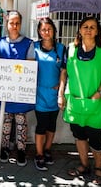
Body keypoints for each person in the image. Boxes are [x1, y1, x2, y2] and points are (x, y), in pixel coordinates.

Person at [58, 15, 101, 186]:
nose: (89, 30)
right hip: (75, 102)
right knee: (79, 136)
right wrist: (61, 94)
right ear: (80, 29)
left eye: (92, 27)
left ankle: (99, 168)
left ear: (97, 30)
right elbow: (64, 73)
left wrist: (99, 93)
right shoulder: (70, 49)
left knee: (96, 138)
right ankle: (84, 165)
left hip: (96, 103)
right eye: (85, 26)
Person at [0, 10, 35, 167]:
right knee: (5, 122)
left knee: (21, 122)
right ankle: (4, 148)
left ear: (21, 24)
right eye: (11, 22)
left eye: (17, 23)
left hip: (21, 91)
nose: (14, 26)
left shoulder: (28, 43)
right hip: (5, 91)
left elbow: (31, 66)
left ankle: (21, 150)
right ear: (7, 24)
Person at [31, 17, 65, 171]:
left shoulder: (61, 48)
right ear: (39, 31)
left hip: (55, 93)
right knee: (42, 124)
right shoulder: (35, 47)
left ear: (54, 31)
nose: (46, 32)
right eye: (43, 29)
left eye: (49, 29)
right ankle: (39, 154)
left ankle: (47, 150)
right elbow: (28, 68)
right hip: (39, 94)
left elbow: (65, 70)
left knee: (52, 125)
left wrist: (61, 87)